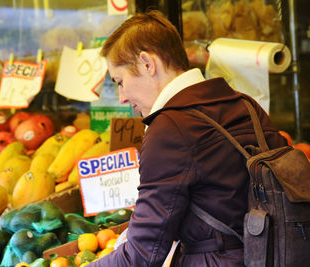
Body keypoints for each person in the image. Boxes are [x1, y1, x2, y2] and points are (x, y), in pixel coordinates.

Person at [88, 10, 287, 267]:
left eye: (120, 81)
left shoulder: (168, 129)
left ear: (148, 64)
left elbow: (143, 252)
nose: (122, 97)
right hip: (276, 255)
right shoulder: (245, 103)